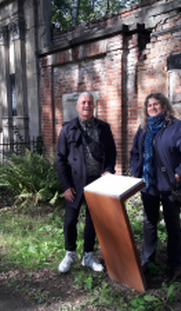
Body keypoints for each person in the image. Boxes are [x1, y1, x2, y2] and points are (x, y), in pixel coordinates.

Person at [130, 92, 181, 277]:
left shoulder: (176, 127)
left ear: (164, 106)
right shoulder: (143, 128)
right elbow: (135, 153)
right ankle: (147, 261)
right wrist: (137, 173)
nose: (152, 107)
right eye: (149, 105)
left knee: (172, 224)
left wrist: (178, 175)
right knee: (149, 223)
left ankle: (175, 264)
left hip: (169, 186)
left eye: (156, 104)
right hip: (148, 186)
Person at [56, 91, 117, 273]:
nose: (86, 105)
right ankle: (70, 253)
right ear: (77, 106)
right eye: (83, 102)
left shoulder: (104, 128)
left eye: (90, 102)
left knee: (93, 221)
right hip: (75, 182)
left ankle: (88, 256)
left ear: (94, 105)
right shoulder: (68, 129)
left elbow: (112, 153)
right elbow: (60, 159)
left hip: (97, 181)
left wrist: (108, 170)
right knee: (70, 221)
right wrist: (66, 186)